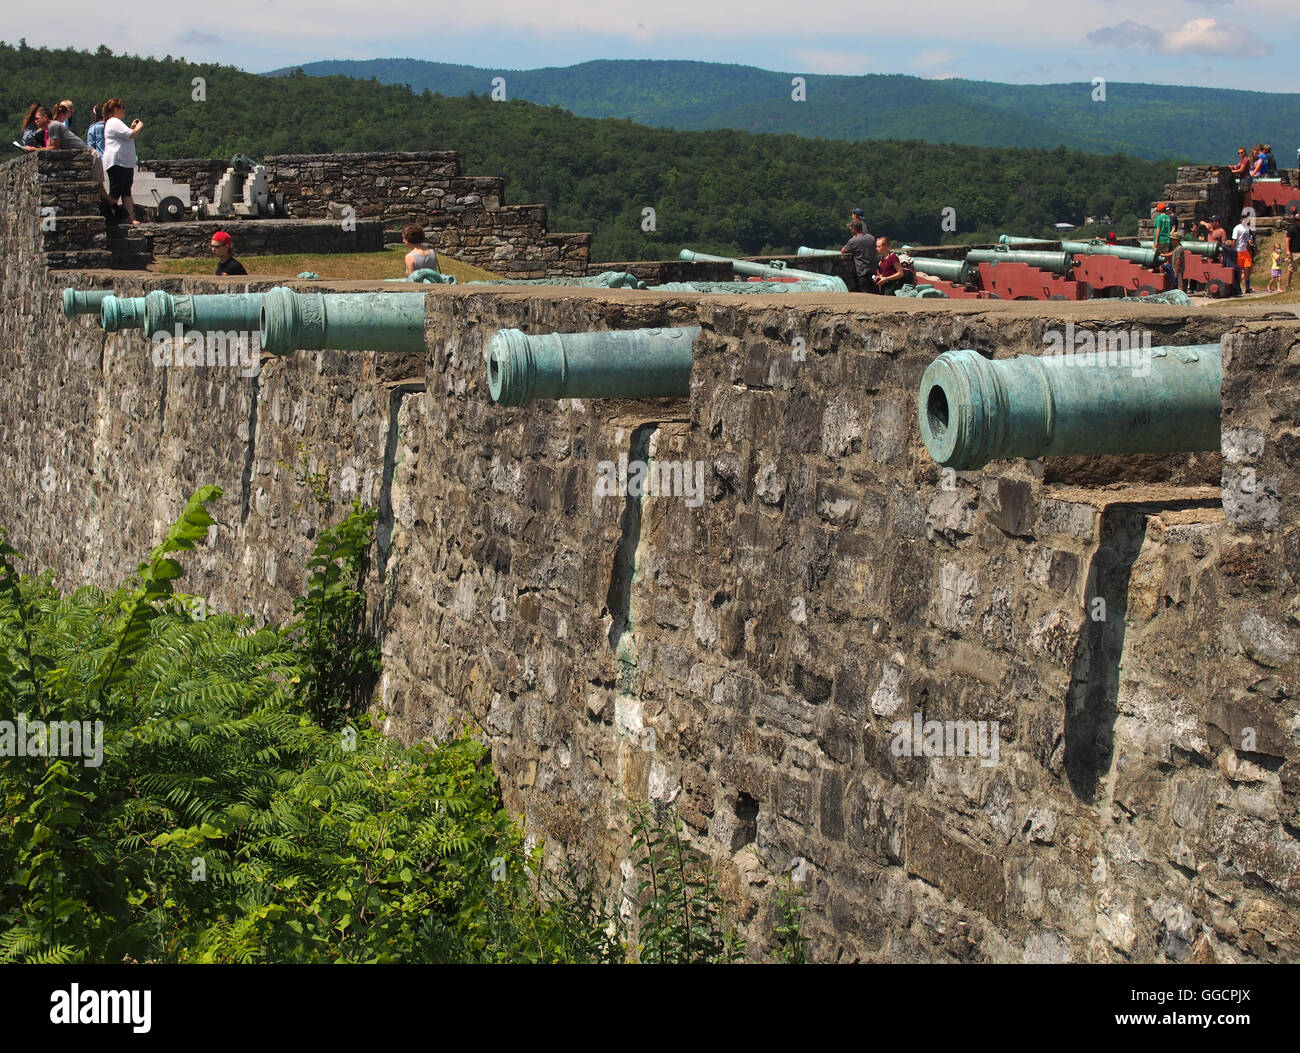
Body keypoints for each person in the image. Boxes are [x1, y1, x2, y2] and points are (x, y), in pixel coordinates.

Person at [101, 98, 143, 225]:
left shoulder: (115, 122)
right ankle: (110, 217)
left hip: (124, 162)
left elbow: (126, 135)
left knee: (125, 191)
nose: (124, 110)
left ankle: (129, 218)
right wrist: (139, 127)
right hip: (117, 162)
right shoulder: (113, 121)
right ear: (115, 110)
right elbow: (130, 135)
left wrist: (131, 129)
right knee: (116, 191)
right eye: (122, 108)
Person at [841, 217, 877, 293]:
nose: (850, 230)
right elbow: (876, 251)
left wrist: (854, 238)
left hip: (862, 272)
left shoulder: (853, 241)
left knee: (865, 293)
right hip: (873, 270)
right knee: (874, 293)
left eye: (851, 228)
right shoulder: (872, 238)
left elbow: (843, 250)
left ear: (854, 228)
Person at [1231, 209, 1255, 294]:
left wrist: (1250, 252)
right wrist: (1233, 251)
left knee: (1248, 268)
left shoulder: (1247, 229)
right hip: (1238, 251)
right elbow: (1234, 240)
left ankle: (1247, 288)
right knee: (1238, 270)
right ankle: (1237, 287)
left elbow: (1247, 241)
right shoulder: (1237, 228)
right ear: (1241, 219)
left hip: (1245, 251)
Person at [1285, 204, 1299, 291]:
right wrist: (1288, 251)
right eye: (1297, 220)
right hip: (1294, 252)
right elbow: (1287, 240)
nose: (1298, 221)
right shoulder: (1292, 229)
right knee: (1291, 269)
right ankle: (1288, 285)